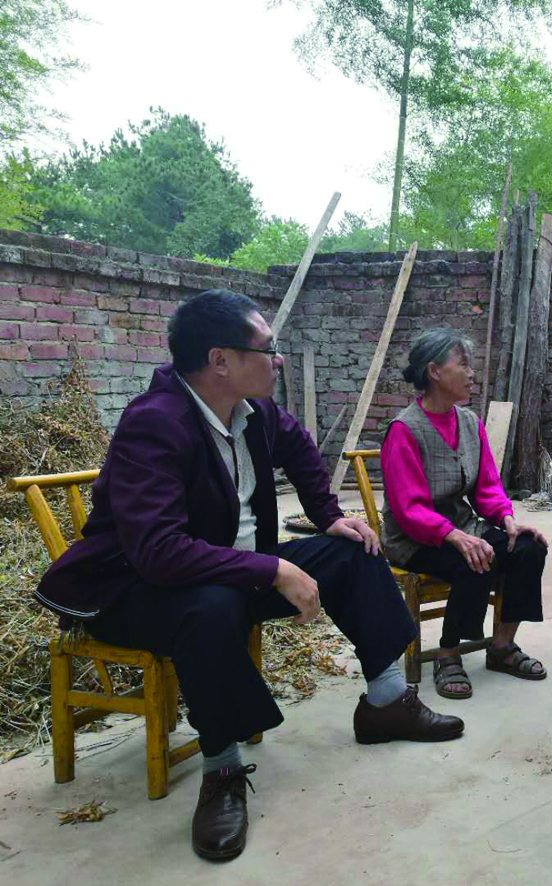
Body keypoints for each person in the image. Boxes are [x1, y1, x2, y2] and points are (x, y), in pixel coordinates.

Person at [35, 290, 463, 863]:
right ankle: (222, 769)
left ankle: (386, 702)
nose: (277, 359)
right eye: (267, 348)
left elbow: (301, 449)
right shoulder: (153, 424)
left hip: (231, 575)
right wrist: (274, 566)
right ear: (220, 360)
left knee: (356, 549)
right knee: (210, 607)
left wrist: (329, 516)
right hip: (137, 591)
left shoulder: (253, 412)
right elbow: (158, 553)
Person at [380, 329, 548, 701]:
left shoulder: (470, 423)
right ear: (435, 372)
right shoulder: (404, 430)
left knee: (528, 548)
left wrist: (507, 520)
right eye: (464, 365)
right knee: (475, 558)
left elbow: (487, 487)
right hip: (413, 538)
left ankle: (502, 646)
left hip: (462, 526)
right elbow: (409, 510)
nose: (472, 374)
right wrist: (456, 537)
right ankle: (448, 653)